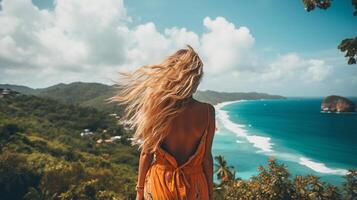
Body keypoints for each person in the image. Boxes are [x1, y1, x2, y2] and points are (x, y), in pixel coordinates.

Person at [110, 45, 216, 200]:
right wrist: (210, 193)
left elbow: (147, 153)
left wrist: (139, 192)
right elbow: (206, 157)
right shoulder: (208, 112)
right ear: (196, 79)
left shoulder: (158, 108)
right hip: (196, 188)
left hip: (160, 184)